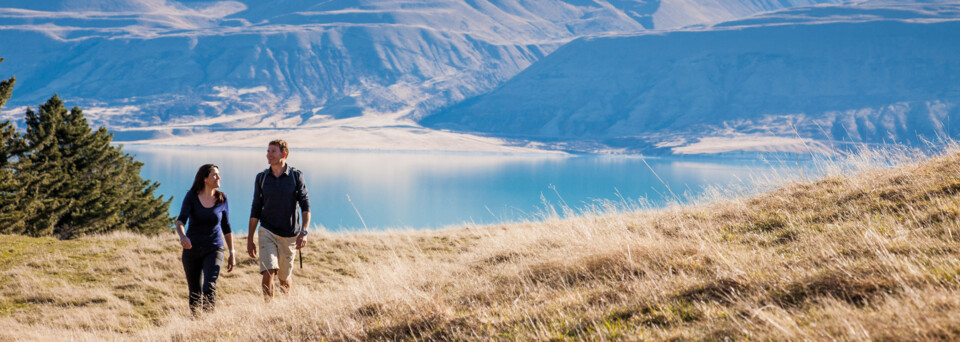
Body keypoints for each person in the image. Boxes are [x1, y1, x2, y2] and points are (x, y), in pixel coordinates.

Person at [247, 139, 310, 301]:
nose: (268, 155)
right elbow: (255, 208)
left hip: (290, 235)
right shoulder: (261, 178)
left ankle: (285, 305)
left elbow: (305, 205)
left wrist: (304, 231)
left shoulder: (296, 176)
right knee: (268, 271)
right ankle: (269, 309)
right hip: (267, 230)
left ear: (284, 154)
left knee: (284, 278)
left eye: (272, 151)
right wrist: (250, 239)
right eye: (268, 151)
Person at [175, 164, 235, 315]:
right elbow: (181, 221)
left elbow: (226, 227)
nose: (218, 177)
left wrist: (232, 253)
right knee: (195, 291)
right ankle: (196, 323)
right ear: (205, 178)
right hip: (192, 249)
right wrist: (183, 237)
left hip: (214, 248)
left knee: (209, 285)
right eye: (214, 175)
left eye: (218, 174)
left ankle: (209, 321)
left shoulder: (222, 198)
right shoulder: (191, 196)